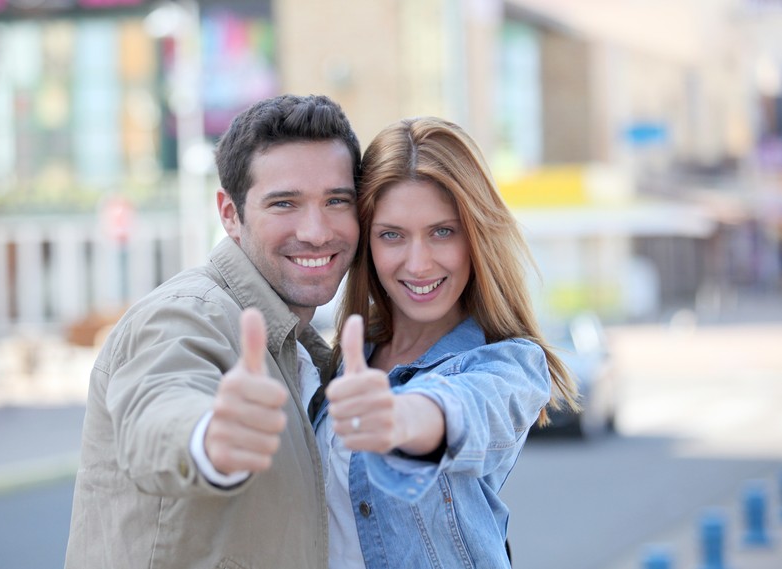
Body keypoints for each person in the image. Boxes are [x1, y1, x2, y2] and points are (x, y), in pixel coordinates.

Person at [64, 94, 361, 569]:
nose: (316, 230)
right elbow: (159, 408)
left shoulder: (303, 348)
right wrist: (209, 438)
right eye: (284, 203)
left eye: (336, 201)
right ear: (229, 214)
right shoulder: (184, 314)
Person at [311, 116, 580, 568]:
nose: (418, 263)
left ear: (476, 236)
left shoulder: (509, 364)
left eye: (442, 231)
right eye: (392, 235)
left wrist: (403, 417)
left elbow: (470, 409)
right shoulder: (342, 360)